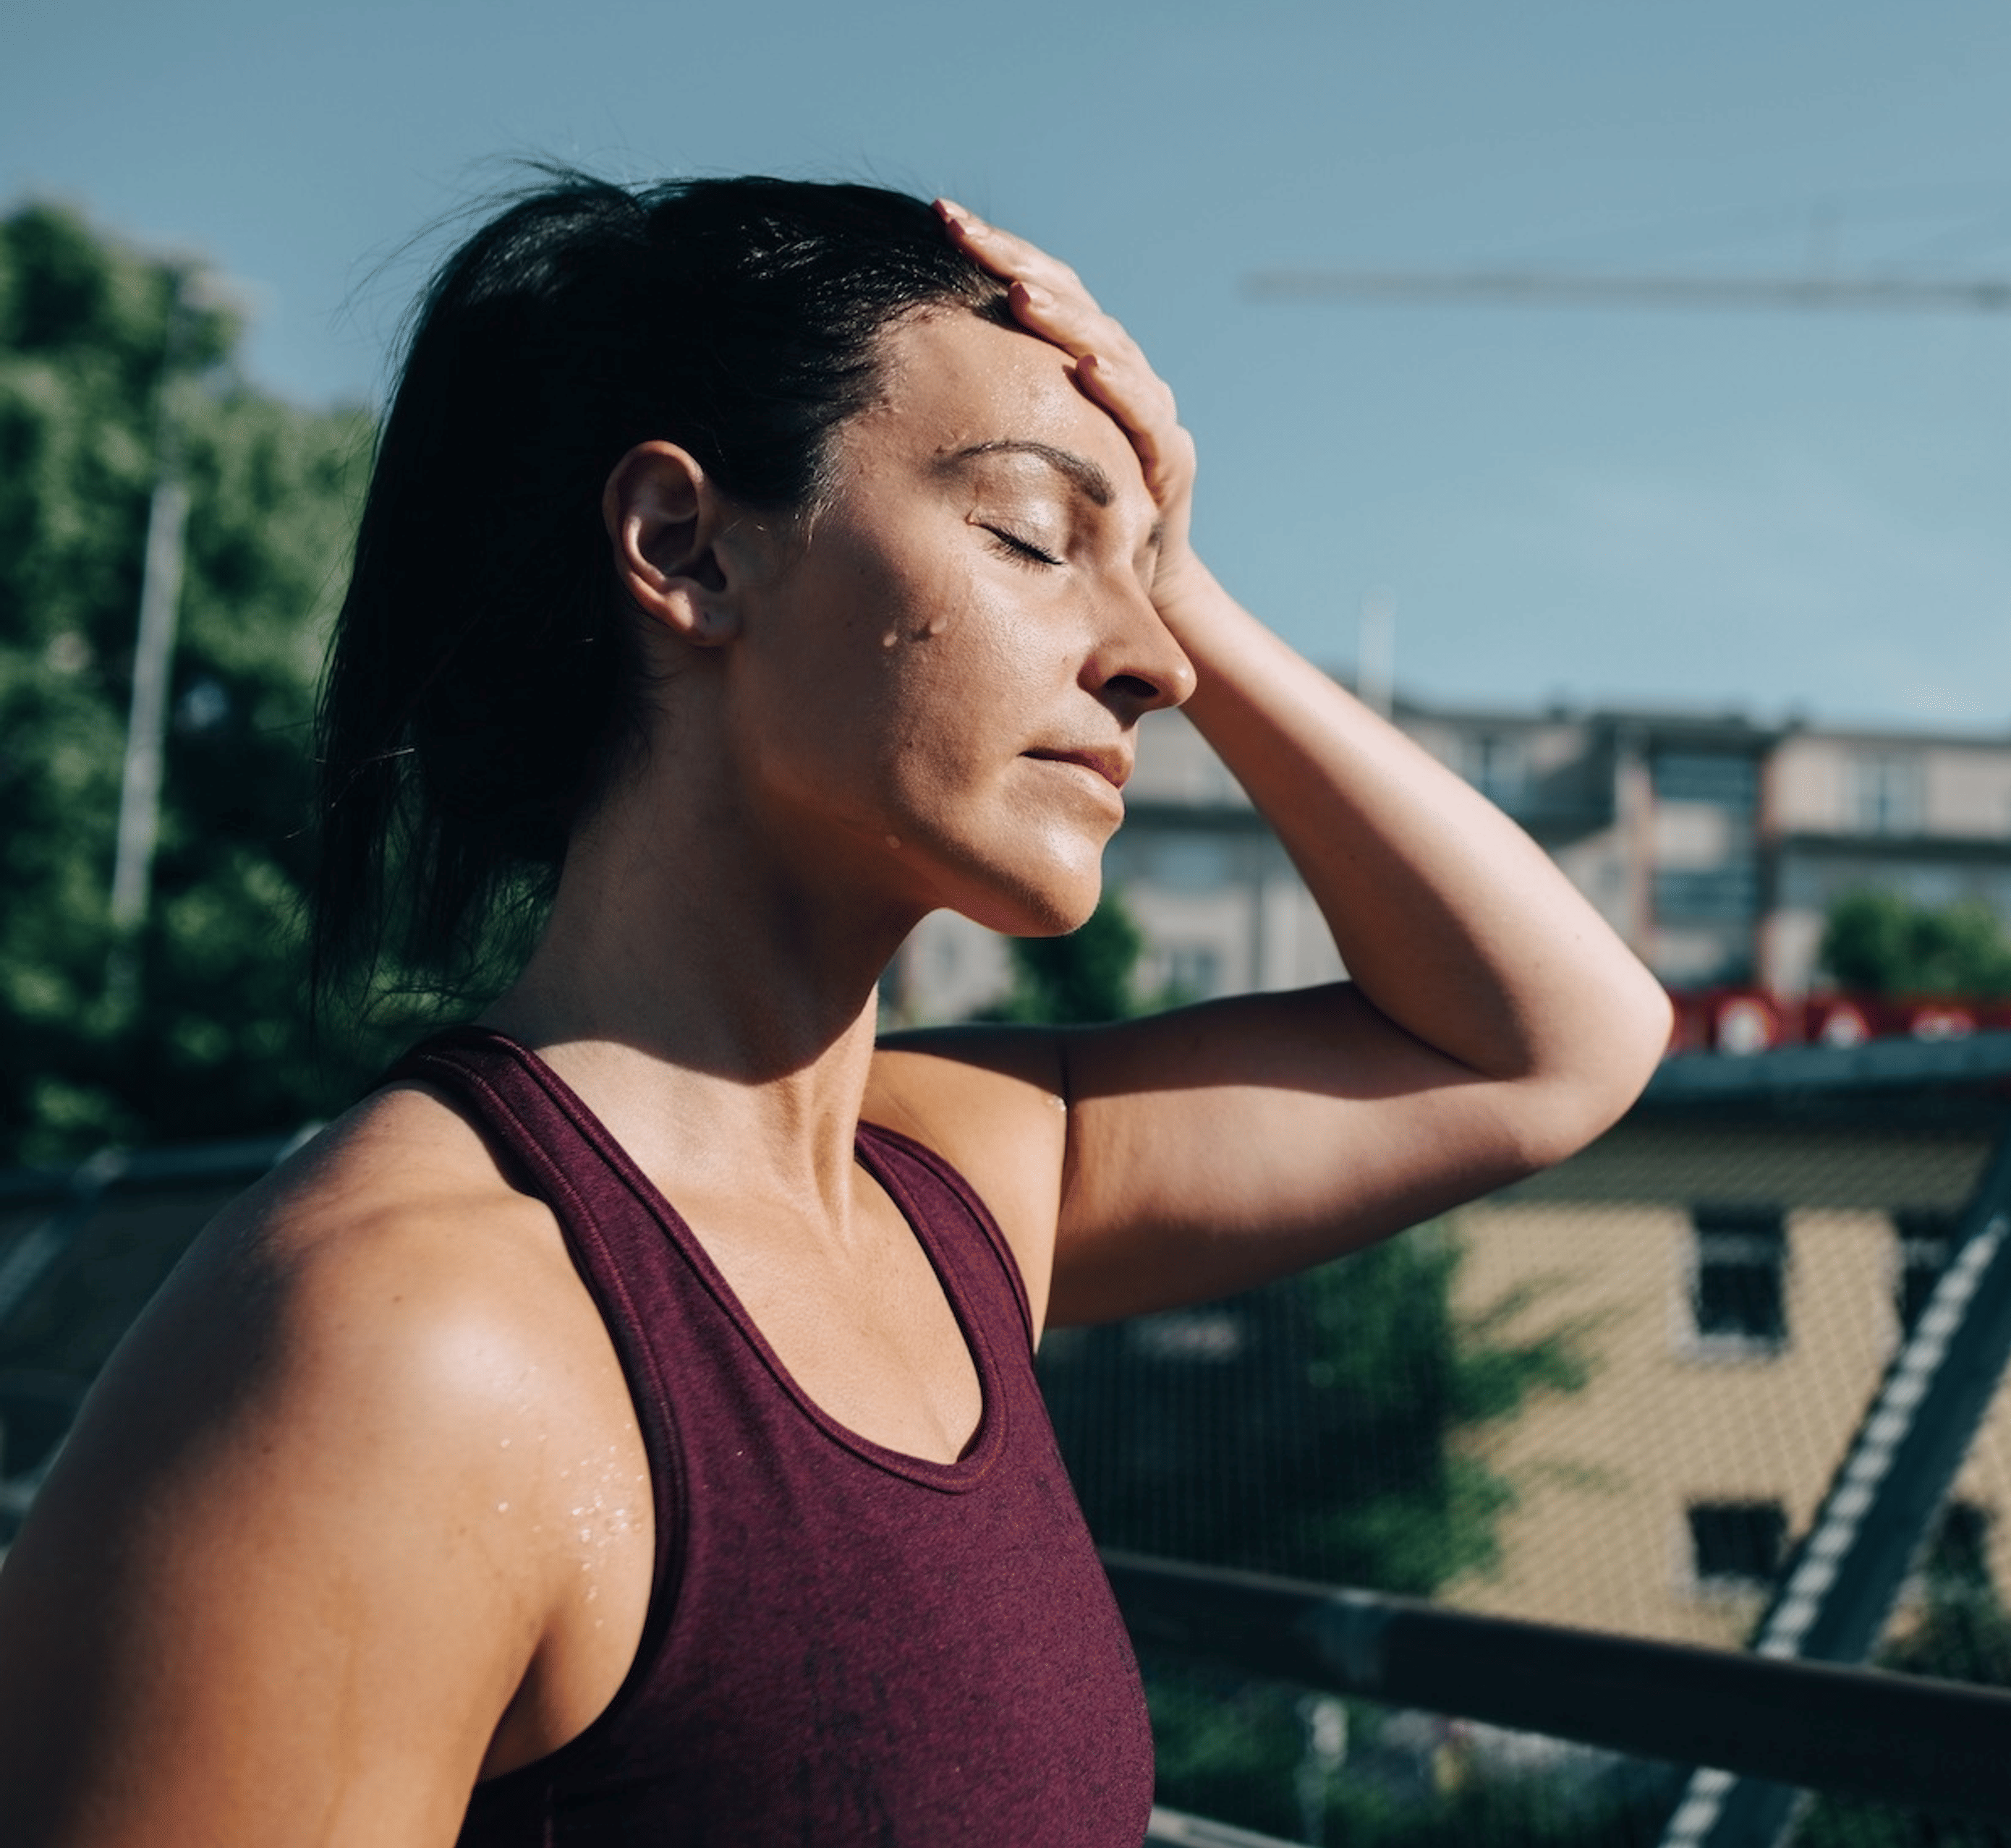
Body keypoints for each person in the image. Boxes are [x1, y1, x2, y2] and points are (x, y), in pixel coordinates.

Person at [0, 174, 1669, 1846]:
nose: (1153, 662)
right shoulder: (406, 1344)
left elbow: (1550, 1042)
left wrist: (1185, 572)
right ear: (687, 547)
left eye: (1145, 580)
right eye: (1029, 534)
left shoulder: (944, 1193)